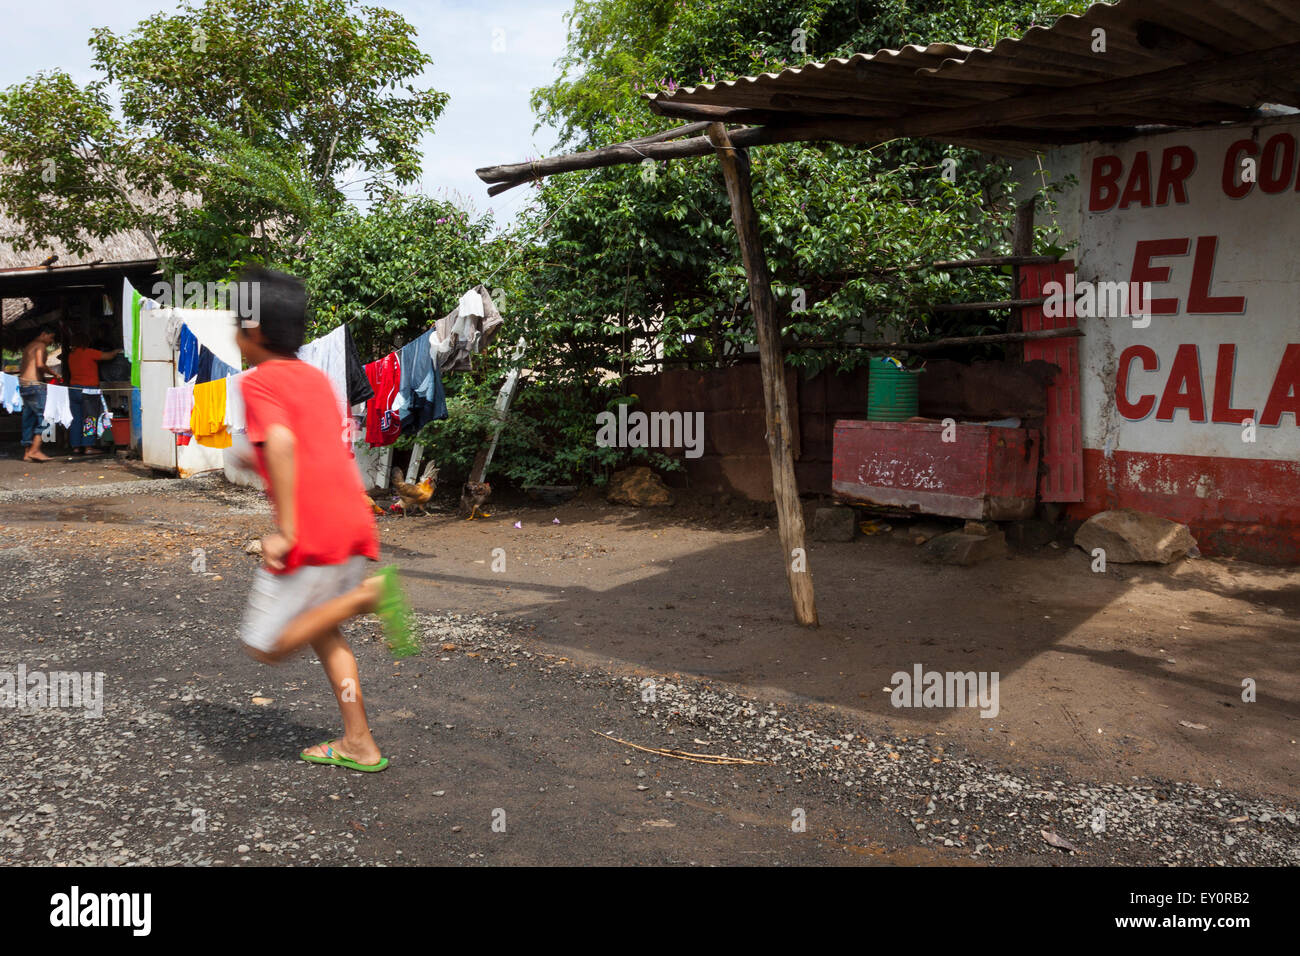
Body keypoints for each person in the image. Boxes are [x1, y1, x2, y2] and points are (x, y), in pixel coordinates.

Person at [234, 266, 415, 773]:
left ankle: (368, 596)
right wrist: (256, 460)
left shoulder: (259, 382)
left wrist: (286, 530)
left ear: (254, 332)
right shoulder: (313, 377)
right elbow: (310, 444)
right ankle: (360, 742)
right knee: (324, 631)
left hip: (312, 530)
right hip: (352, 520)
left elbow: (286, 445)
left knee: (267, 645)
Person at [65, 333, 121, 455]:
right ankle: (88, 446)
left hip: (74, 389)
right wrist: (117, 350)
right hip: (89, 390)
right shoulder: (89, 352)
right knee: (89, 419)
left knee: (76, 419)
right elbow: (109, 356)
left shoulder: (71, 355)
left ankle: (76, 446)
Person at [18, 327, 56, 462]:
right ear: (43, 334)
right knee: (46, 416)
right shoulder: (40, 345)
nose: (51, 341)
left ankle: (27, 452)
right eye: (50, 337)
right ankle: (35, 449)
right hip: (35, 386)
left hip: (24, 385)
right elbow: (40, 364)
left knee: (28, 419)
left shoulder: (28, 346)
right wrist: (53, 373)